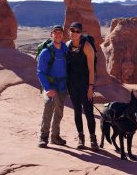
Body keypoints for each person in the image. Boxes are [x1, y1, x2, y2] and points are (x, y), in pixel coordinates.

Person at [66, 22, 99, 151]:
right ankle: (81, 137)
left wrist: (91, 87)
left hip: (85, 85)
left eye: (77, 31)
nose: (74, 33)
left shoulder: (87, 46)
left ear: (81, 33)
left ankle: (93, 138)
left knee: (89, 112)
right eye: (72, 30)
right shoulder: (68, 45)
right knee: (77, 112)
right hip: (73, 85)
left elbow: (91, 69)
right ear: (69, 31)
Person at [37, 25, 68, 148]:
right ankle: (43, 137)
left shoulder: (65, 49)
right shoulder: (46, 52)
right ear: (51, 35)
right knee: (48, 111)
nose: (58, 35)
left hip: (62, 86)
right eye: (56, 33)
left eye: (60, 33)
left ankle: (55, 137)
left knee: (59, 112)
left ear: (62, 35)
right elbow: (40, 72)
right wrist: (47, 88)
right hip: (50, 86)